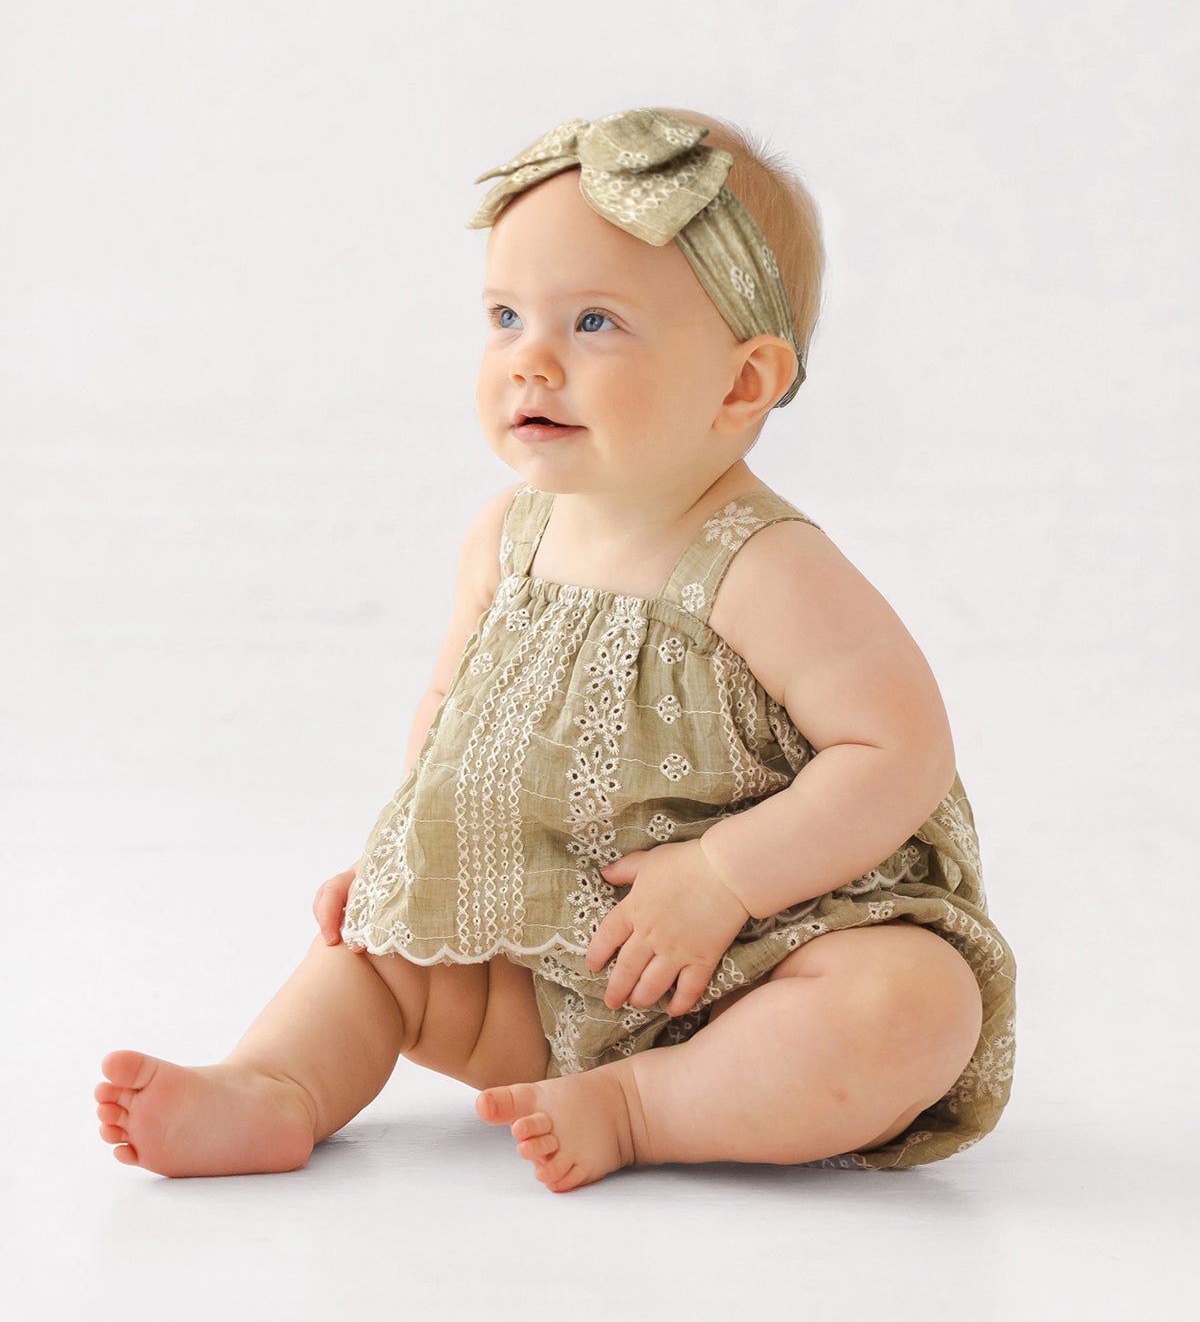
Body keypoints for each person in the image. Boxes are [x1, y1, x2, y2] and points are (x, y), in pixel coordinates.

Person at [95, 106, 1016, 1192]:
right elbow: (449, 715)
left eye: (593, 324)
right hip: (543, 961)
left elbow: (898, 753)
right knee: (369, 954)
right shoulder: (506, 539)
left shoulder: (765, 568)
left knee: (912, 1005)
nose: (529, 360)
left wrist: (722, 878)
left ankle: (644, 1105)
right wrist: (409, 854)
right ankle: (273, 1086)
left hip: (762, 959)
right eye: (503, 316)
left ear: (741, 384)